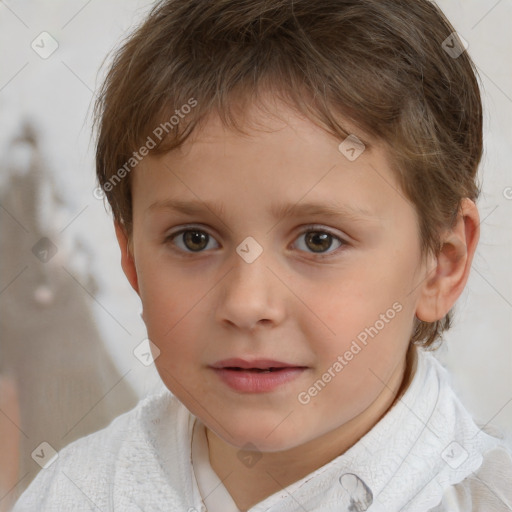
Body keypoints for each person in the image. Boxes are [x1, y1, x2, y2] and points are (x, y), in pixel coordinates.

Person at [11, 0, 512, 510]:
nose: (247, 303)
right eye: (195, 239)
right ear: (132, 258)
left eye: (319, 240)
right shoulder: (70, 493)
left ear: (442, 263)